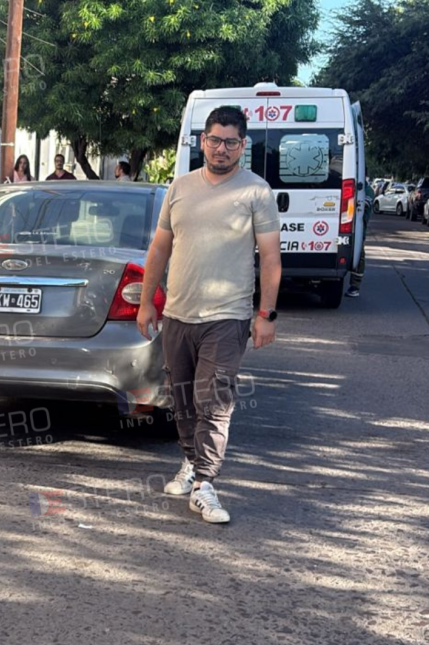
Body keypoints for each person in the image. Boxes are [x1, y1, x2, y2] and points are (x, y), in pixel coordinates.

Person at [136, 106, 281, 524]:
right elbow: (160, 249)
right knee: (181, 401)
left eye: (231, 142)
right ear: (203, 141)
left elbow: (270, 258)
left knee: (214, 401)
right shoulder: (179, 188)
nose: (221, 148)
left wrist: (266, 314)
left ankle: (204, 484)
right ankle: (189, 462)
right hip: (179, 313)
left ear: (243, 145)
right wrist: (148, 301)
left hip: (227, 316)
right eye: (215, 140)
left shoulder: (256, 191)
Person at [346, 180, 374, 298]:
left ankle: (355, 286)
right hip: (347, 226)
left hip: (358, 229)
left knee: (359, 256)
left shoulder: (367, 191)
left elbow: (364, 204)